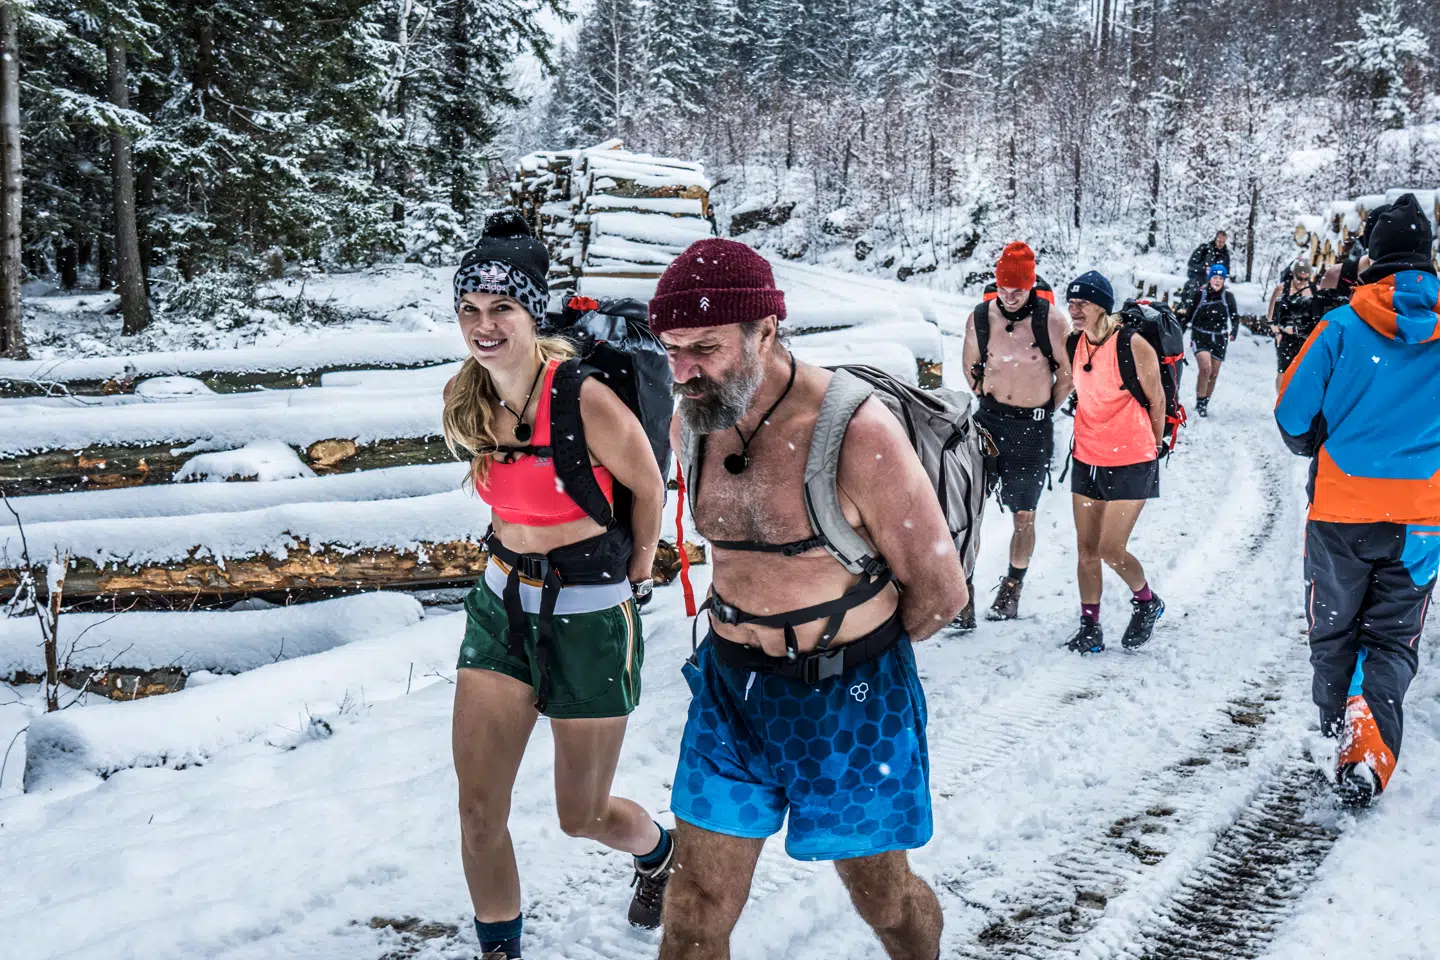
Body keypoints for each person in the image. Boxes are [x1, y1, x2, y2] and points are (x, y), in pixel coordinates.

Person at [652, 238, 967, 960]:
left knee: (884, 901)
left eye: (705, 348)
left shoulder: (857, 433)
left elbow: (940, 592)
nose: (683, 371)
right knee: (695, 909)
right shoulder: (691, 421)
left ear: (766, 330)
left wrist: (849, 653)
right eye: (671, 350)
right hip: (732, 694)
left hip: (850, 703)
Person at [442, 210, 672, 959]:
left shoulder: (582, 396)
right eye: (470, 308)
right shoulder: (466, 396)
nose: (484, 325)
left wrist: (637, 570)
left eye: (501, 308)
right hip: (501, 608)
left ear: (532, 313)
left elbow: (648, 486)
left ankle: (659, 852)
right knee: (479, 813)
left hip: (590, 617)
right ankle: (500, 950)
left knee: (583, 816)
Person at [1274, 193, 1440, 807]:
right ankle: (1366, 749)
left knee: (1333, 629)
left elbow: (1292, 418)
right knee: (1393, 638)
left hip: (1340, 512)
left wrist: (1321, 438)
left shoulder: (1340, 327)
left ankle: (1336, 734)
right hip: (1422, 519)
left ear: (1372, 257)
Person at [963, 241, 1073, 622]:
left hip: (1031, 430)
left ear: (1031, 285)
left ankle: (1012, 588)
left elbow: (1068, 374)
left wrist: (1044, 407)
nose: (1009, 297)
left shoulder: (1052, 321)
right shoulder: (981, 317)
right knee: (969, 509)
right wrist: (987, 396)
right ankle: (964, 591)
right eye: (1003, 288)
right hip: (988, 424)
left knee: (1023, 515)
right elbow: (970, 366)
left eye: (1018, 290)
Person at [1062, 271, 1167, 654]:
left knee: (1110, 549)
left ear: (1103, 307)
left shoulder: (1133, 345)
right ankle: (1090, 626)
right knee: (1086, 550)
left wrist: (1153, 446)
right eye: (1071, 303)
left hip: (1132, 458)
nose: (1074, 310)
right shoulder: (1073, 343)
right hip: (1086, 456)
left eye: (1083, 304)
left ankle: (1146, 600)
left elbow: (1157, 400)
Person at [1187, 263, 1239, 417]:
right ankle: (1199, 402)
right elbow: (1189, 314)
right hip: (1200, 335)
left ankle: (1204, 403)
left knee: (1214, 374)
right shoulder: (1200, 294)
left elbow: (1235, 317)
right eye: (1215, 277)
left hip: (1219, 338)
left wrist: (1234, 331)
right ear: (1210, 279)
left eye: (1221, 278)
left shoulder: (1228, 297)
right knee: (1205, 368)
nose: (1217, 281)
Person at [1268, 261, 1317, 389]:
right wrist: (1277, 333)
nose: (1302, 282)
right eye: (1299, 278)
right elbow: (1271, 317)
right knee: (1284, 372)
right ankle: (1281, 399)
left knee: (1304, 373)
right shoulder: (1282, 289)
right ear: (1293, 274)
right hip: (1286, 337)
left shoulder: (1314, 290)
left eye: (1306, 279)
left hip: (1306, 339)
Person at [1181, 230, 1232, 317]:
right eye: (1219, 241)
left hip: (1215, 283)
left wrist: (1220, 274)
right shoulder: (1204, 249)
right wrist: (1204, 268)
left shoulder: (1225, 254)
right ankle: (1188, 312)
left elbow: (1226, 271)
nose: (1221, 244)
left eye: (1223, 242)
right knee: (1194, 291)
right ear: (1215, 239)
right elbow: (1191, 264)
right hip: (1199, 278)